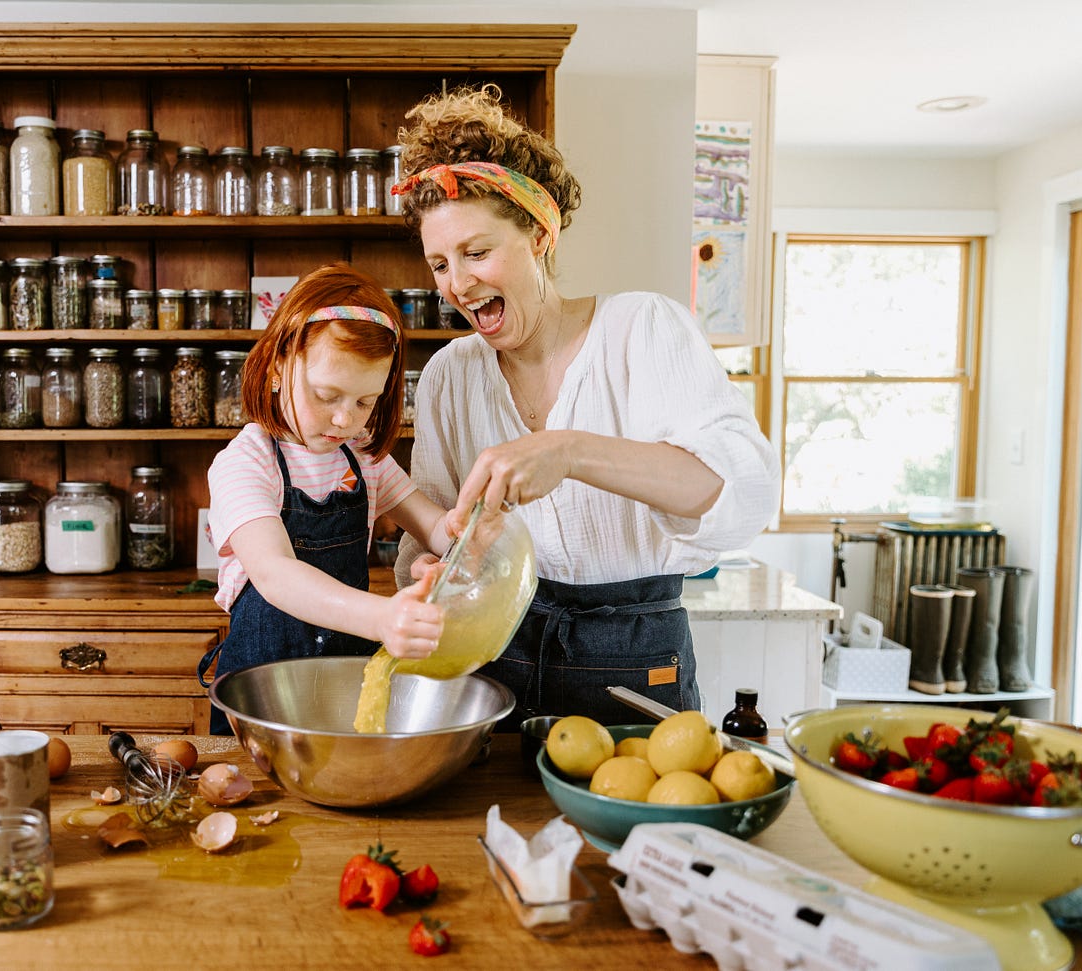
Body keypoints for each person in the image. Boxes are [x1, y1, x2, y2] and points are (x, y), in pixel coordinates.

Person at [391, 85, 779, 728]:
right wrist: (438, 570)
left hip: (633, 660)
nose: (457, 285)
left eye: (477, 252)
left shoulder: (644, 329)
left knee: (635, 828)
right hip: (496, 661)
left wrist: (567, 451)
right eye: (439, 263)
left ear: (540, 235)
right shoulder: (448, 377)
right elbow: (427, 541)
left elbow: (745, 493)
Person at [200, 262, 456, 734]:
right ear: (278, 368)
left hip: (342, 687)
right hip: (260, 695)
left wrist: (459, 541)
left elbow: (437, 528)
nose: (344, 420)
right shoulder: (245, 464)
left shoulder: (364, 460)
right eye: (326, 395)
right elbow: (276, 574)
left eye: (364, 402)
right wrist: (381, 617)